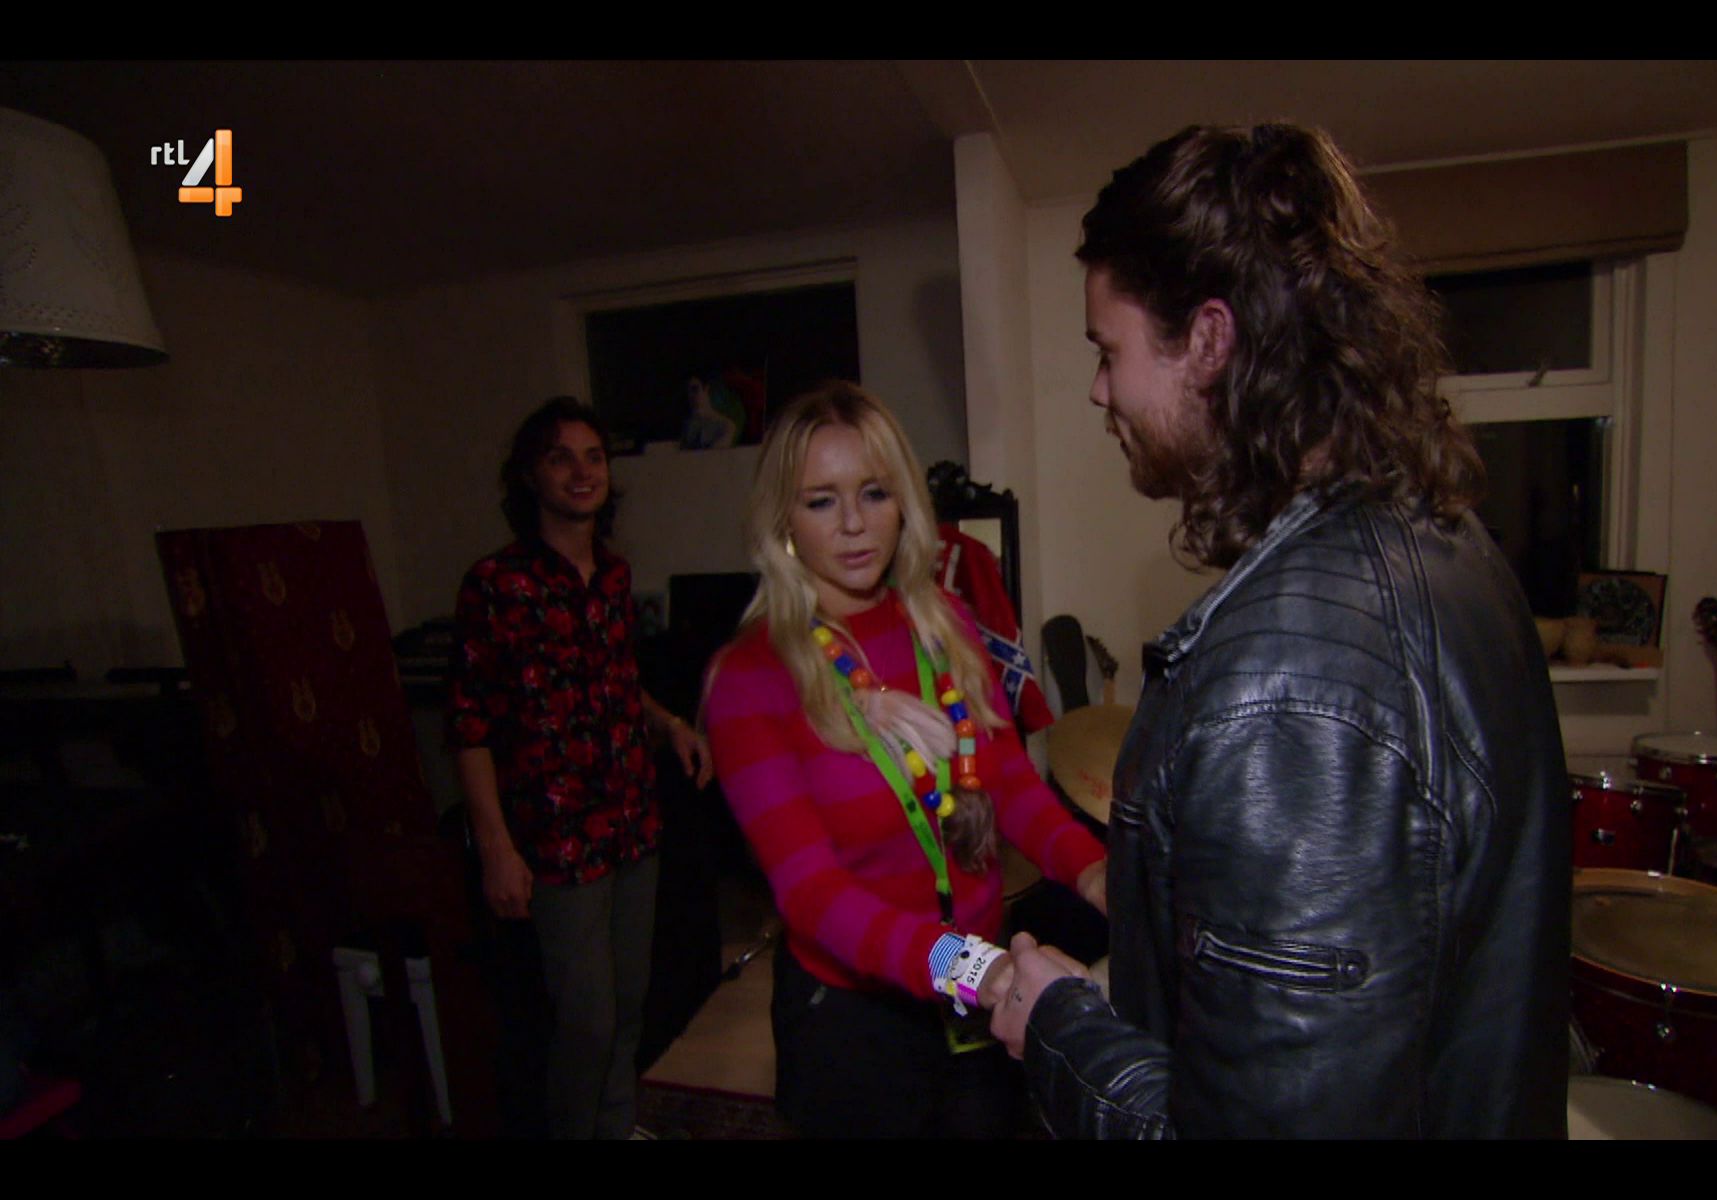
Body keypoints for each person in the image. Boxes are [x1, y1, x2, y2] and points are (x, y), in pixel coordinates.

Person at [988, 123, 1571, 1138]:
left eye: (1109, 351)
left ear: (1209, 341)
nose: (1099, 390)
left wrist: (1059, 1026)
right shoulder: (1449, 538)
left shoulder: (1288, 680)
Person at [703, 381, 1107, 1138]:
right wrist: (976, 968)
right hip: (857, 1023)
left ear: (906, 503)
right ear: (782, 518)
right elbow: (814, 896)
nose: (854, 524)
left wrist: (1094, 872)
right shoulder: (751, 677)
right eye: (821, 501)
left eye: (875, 493)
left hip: (977, 1001)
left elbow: (1009, 781)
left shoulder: (943, 619)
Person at [447, 396, 712, 1140]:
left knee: (628, 1007)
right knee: (585, 1020)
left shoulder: (616, 578)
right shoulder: (496, 583)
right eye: (560, 457)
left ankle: (616, 1127)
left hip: (632, 819)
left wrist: (670, 723)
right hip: (557, 838)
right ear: (531, 475)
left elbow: (617, 681)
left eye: (593, 456)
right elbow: (468, 725)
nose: (581, 471)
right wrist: (495, 848)